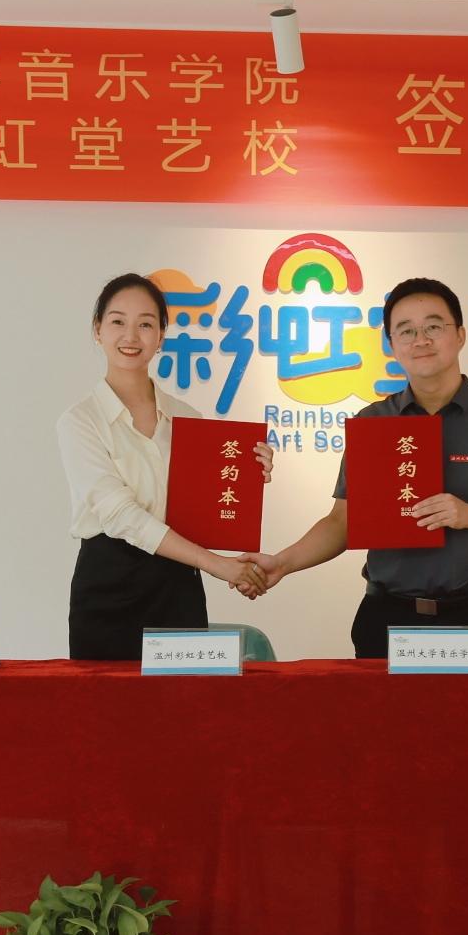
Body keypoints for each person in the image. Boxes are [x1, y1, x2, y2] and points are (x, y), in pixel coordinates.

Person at [245, 277, 468, 659]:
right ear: (392, 344)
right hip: (386, 618)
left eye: (433, 326)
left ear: (460, 335)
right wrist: (282, 563)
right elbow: (343, 522)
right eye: (406, 331)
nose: (420, 340)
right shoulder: (373, 423)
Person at [57, 272, 274, 661]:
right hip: (108, 589)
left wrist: (249, 471)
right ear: (98, 330)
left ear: (161, 336)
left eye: (145, 324)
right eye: (118, 321)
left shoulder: (189, 420)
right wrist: (217, 565)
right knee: (107, 700)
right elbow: (119, 514)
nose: (131, 336)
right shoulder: (80, 421)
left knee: (184, 699)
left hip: (178, 586)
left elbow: (205, 510)